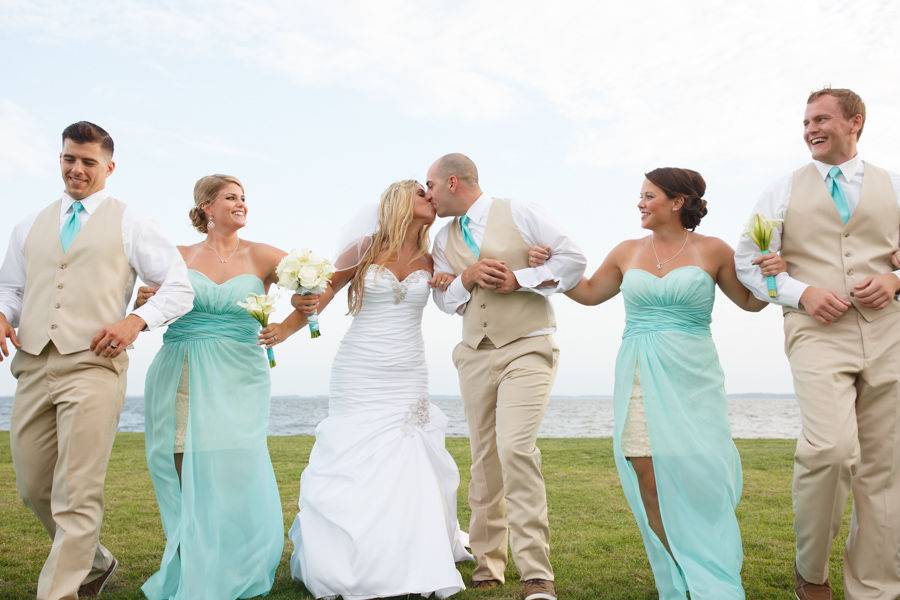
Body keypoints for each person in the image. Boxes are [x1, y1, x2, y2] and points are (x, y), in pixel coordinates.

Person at [534, 168, 784, 599]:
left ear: (677, 201)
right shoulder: (627, 251)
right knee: (645, 468)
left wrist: (773, 273)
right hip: (638, 371)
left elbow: (750, 303)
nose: (640, 203)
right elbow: (591, 293)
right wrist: (551, 270)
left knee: (698, 474)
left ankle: (711, 570)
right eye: (641, 196)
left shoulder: (714, 250)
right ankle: (681, 573)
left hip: (693, 374)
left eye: (649, 196)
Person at [0, 121, 194, 599]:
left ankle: (60, 592)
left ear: (109, 166)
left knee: (76, 490)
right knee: (32, 487)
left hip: (93, 367)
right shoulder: (29, 225)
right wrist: (4, 314)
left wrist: (135, 322)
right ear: (60, 159)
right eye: (69, 158)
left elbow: (179, 286)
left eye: (88, 161)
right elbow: (12, 289)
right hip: (32, 366)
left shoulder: (131, 222)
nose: (77, 169)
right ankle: (94, 561)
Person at [734, 87, 900, 600]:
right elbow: (748, 261)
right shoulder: (780, 191)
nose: (811, 129)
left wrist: (895, 282)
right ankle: (812, 573)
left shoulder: (892, 186)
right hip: (816, 333)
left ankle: (875, 588)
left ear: (856, 122)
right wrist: (801, 293)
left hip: (889, 330)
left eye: (822, 119)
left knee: (886, 465)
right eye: (806, 121)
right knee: (830, 450)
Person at [134, 174, 317, 599]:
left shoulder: (264, 255)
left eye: (244, 198)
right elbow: (152, 306)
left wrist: (288, 326)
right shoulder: (177, 256)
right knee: (179, 457)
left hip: (240, 371)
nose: (241, 204)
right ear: (205, 208)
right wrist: (145, 303)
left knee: (236, 462)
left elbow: (314, 286)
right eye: (230, 197)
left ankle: (238, 558)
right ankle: (190, 553)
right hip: (181, 366)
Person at [288, 180, 472, 599]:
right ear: (398, 202)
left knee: (409, 458)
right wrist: (285, 327)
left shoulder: (434, 255)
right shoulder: (365, 248)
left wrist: (449, 279)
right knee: (354, 457)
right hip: (359, 368)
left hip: (408, 369)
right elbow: (325, 291)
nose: (431, 197)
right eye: (421, 193)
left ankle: (409, 556)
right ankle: (349, 558)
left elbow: (456, 292)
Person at [427, 153, 587, 600]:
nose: (429, 194)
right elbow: (444, 301)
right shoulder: (442, 239)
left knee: (515, 448)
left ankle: (536, 570)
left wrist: (523, 277)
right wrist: (467, 276)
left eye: (432, 185)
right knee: (483, 458)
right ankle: (487, 562)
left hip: (528, 345)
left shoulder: (519, 211)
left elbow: (573, 259)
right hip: (474, 352)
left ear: (453, 182)